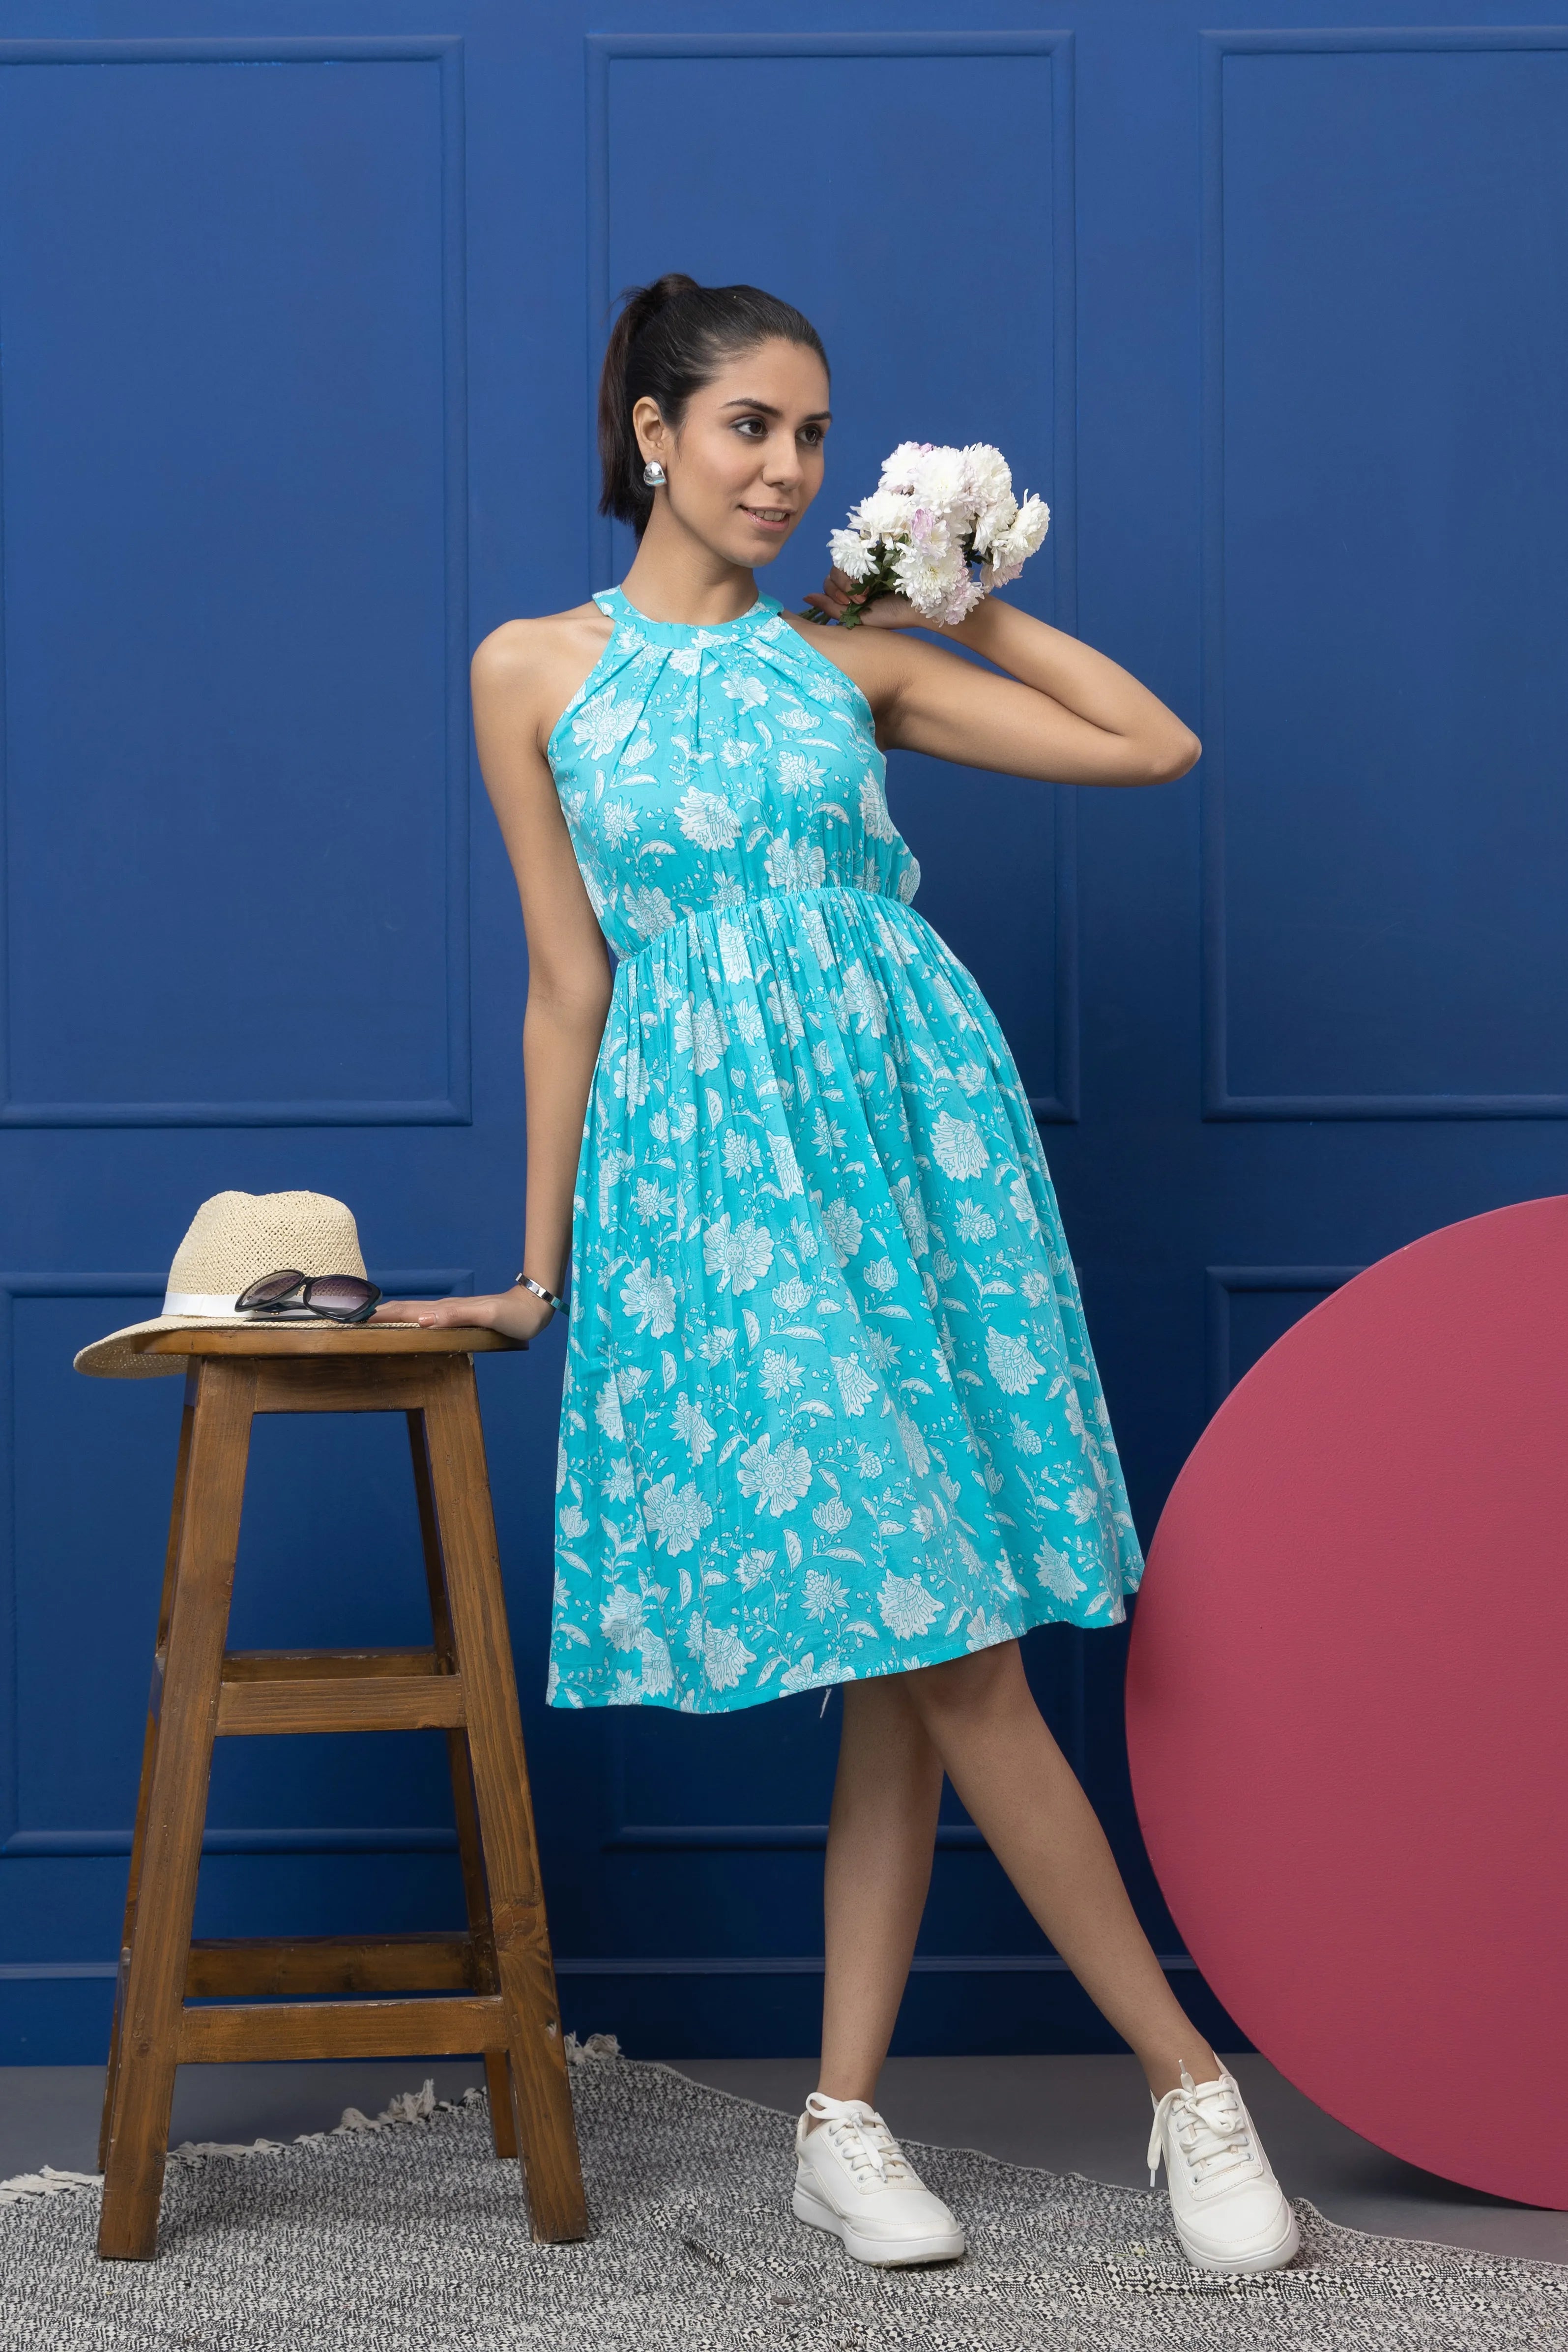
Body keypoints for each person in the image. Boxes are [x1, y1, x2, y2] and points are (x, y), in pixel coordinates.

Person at [377, 273, 1298, 2277]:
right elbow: (567, 984)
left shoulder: (844, 659)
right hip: (711, 1190)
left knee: (911, 1660)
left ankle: (841, 2118)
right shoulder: (533, 672)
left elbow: (1150, 746)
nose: (788, 471)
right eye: (749, 430)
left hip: (908, 1157)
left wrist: (959, 599)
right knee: (941, 1637)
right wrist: (535, 1275)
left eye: (812, 438)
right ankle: (1185, 2082)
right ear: (650, 431)